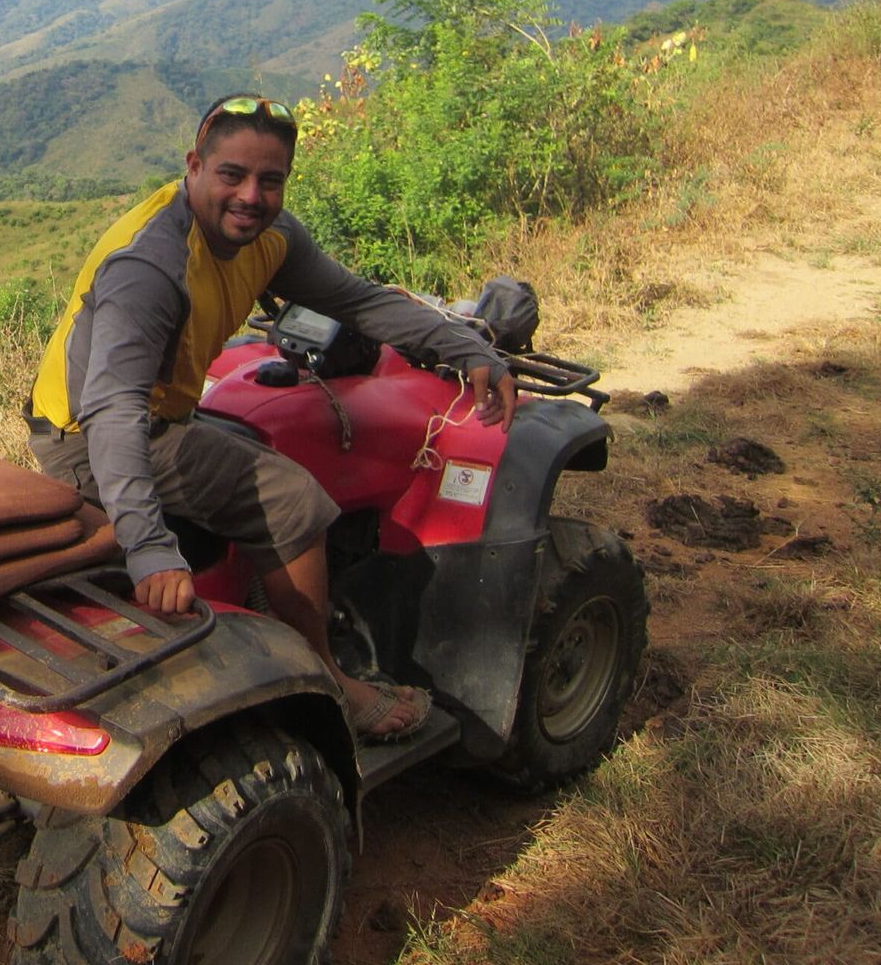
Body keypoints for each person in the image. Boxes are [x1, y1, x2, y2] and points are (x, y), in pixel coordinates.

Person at [27, 94, 516, 739]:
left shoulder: (271, 240)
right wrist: (148, 547)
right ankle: (329, 685)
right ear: (194, 165)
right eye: (232, 174)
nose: (251, 195)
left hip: (154, 413)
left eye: (271, 179)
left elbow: (357, 301)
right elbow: (112, 410)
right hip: (89, 435)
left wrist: (464, 345)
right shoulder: (150, 264)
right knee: (291, 500)